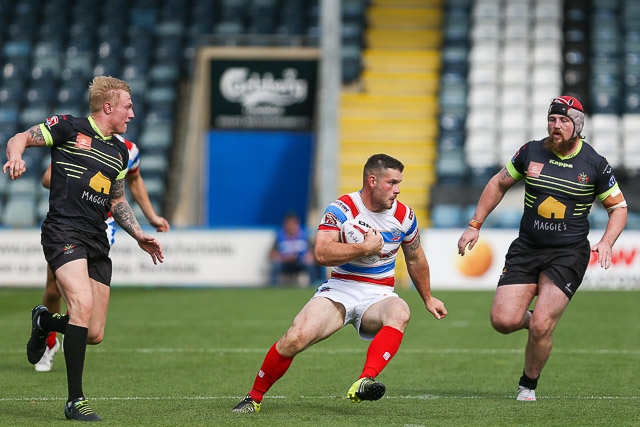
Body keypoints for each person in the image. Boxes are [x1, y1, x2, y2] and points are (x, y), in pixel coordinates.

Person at [232, 153, 447, 414]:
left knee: (400, 311)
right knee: (295, 338)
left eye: (399, 183)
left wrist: (428, 298)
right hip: (340, 290)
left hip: (378, 294)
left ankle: (364, 381)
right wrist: (362, 247)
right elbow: (321, 253)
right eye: (392, 183)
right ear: (372, 181)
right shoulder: (342, 209)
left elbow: (415, 258)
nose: (397, 190)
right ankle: (253, 398)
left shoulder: (404, 216)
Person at [2, 75, 164, 421]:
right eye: (128, 107)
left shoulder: (120, 151)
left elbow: (118, 200)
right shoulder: (67, 127)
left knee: (94, 332)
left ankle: (44, 321)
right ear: (108, 107)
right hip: (63, 230)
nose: (132, 114)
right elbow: (19, 138)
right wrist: (16, 157)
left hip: (97, 239)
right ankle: (75, 400)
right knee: (82, 305)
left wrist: (139, 234)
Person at [457, 96, 628, 402]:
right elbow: (498, 183)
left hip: (568, 253)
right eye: (552, 119)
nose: (556, 126)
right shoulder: (530, 151)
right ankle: (540, 323)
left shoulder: (594, 164)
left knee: (541, 325)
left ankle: (528, 383)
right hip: (527, 247)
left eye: (564, 121)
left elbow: (619, 208)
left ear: (577, 125)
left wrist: (606, 241)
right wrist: (475, 224)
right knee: (503, 321)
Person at [34, 136, 171, 373]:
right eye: (125, 107)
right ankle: (48, 339)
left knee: (83, 297)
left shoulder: (129, 150)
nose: (130, 115)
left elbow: (135, 180)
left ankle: (71, 329)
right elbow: (48, 178)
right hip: (69, 222)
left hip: (101, 226)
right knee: (53, 289)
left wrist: (151, 217)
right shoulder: (80, 139)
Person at [269, 211, 319, 286]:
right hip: (285, 263)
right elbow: (271, 254)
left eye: (293, 223)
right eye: (289, 224)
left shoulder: (304, 235)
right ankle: (274, 288)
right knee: (276, 265)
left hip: (300, 262)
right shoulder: (280, 236)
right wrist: (281, 257)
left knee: (310, 264)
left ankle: (313, 286)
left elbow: (312, 251)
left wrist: (309, 256)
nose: (291, 226)